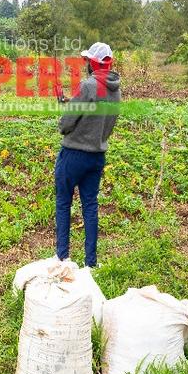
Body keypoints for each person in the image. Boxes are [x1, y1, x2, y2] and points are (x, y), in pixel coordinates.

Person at [54, 41, 121, 268]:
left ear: (93, 63)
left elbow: (67, 122)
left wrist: (64, 121)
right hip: (97, 156)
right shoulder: (115, 89)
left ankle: (62, 257)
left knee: (64, 202)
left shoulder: (88, 85)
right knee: (90, 206)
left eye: (87, 61)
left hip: (73, 154)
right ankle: (91, 263)